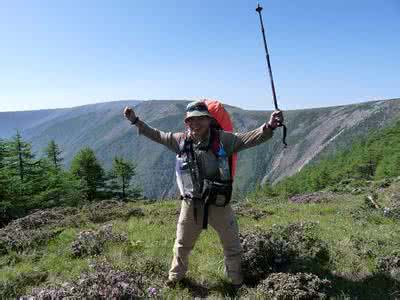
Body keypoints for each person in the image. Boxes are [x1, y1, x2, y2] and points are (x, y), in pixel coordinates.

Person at [123, 101, 283, 288]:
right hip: (192, 204)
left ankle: (236, 283)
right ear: (186, 122)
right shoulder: (180, 140)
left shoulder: (223, 140)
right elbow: (157, 135)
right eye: (191, 120)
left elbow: (248, 139)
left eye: (200, 119)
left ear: (209, 120)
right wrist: (135, 121)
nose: (196, 124)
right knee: (181, 245)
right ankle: (175, 280)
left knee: (232, 246)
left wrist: (270, 126)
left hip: (218, 203)